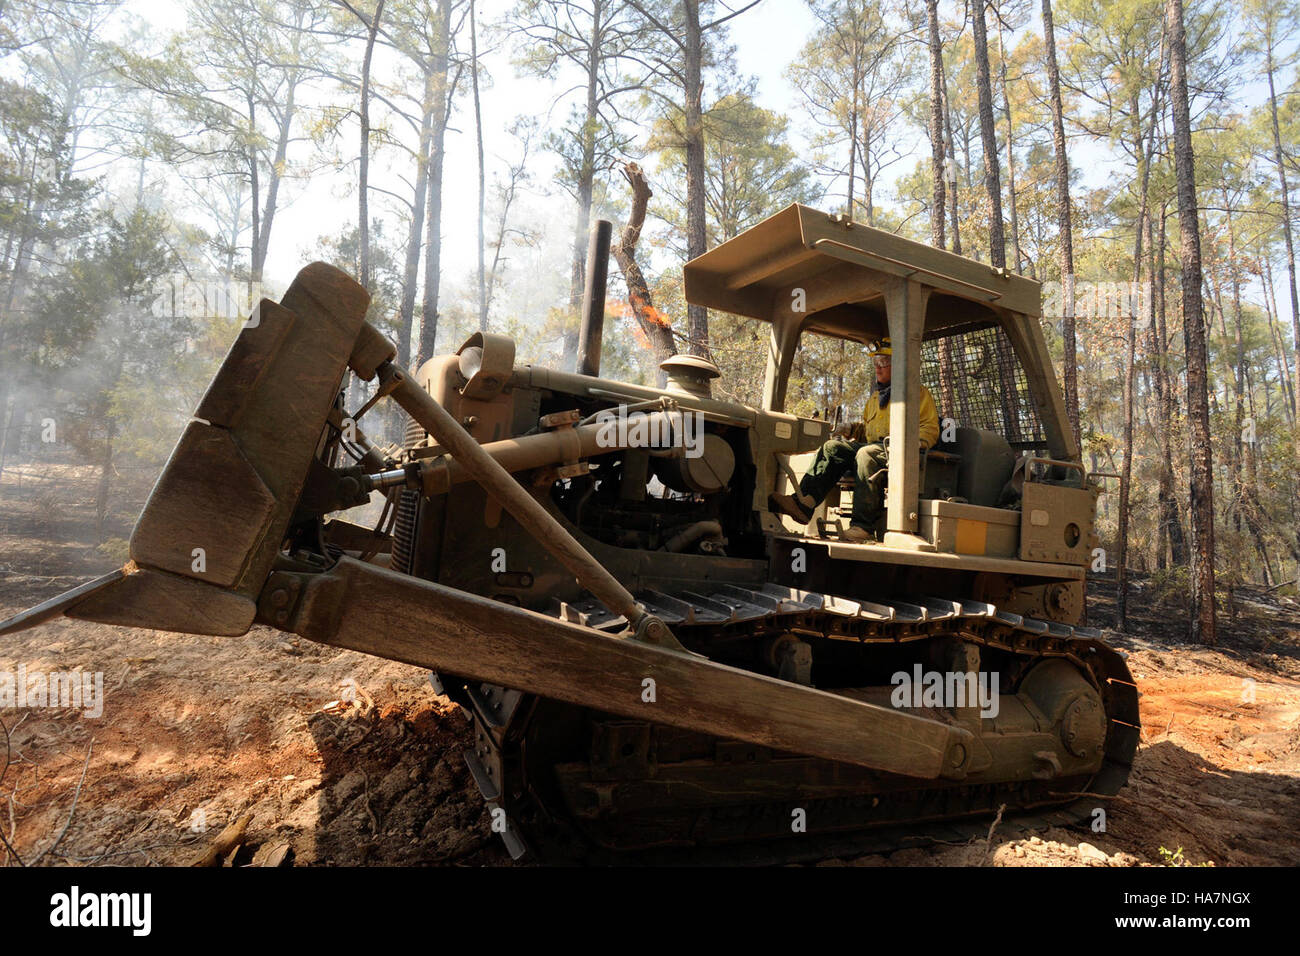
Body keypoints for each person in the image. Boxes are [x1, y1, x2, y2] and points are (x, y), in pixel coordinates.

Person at [770, 338, 939, 542]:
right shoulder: (876, 399)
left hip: (900, 453)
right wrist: (851, 429)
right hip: (875, 449)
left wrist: (910, 443)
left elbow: (930, 428)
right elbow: (868, 432)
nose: (878, 369)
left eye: (883, 363)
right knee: (833, 448)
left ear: (900, 366)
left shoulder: (918, 394)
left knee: (865, 454)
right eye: (875, 363)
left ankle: (862, 527)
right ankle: (803, 504)